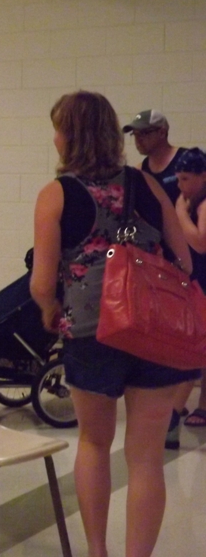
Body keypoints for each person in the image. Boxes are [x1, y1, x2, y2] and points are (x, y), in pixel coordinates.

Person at [31, 90, 197, 557]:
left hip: (92, 330)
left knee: (93, 443)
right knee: (146, 459)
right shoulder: (148, 185)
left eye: (58, 129)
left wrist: (49, 308)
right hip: (153, 330)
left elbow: (41, 283)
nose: (55, 138)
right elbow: (184, 260)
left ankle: (97, 551)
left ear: (71, 136)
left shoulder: (56, 195)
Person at [123, 109, 195, 447]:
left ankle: (182, 409)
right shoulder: (141, 171)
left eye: (145, 133)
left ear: (163, 131)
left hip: (195, 256)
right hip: (165, 264)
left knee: (195, 331)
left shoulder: (187, 161)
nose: (139, 139)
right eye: (135, 134)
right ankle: (172, 408)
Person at [173, 148, 206, 428]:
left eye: (185, 179)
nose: (180, 185)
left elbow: (200, 242)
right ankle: (178, 405)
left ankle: (185, 407)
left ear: (203, 177)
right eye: (178, 179)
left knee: (198, 345)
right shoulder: (193, 200)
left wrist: (180, 213)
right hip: (197, 279)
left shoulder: (203, 203)